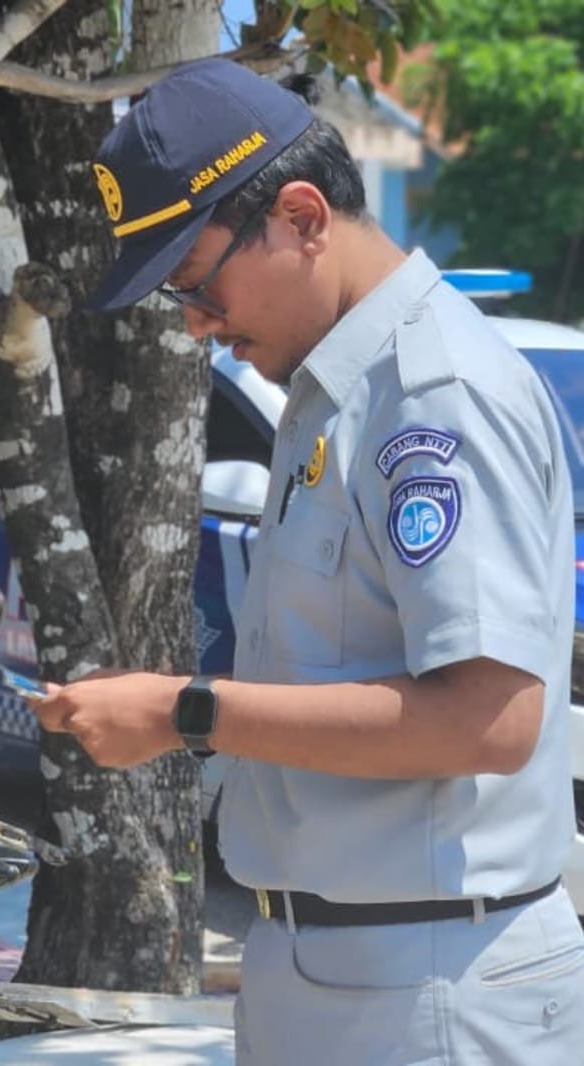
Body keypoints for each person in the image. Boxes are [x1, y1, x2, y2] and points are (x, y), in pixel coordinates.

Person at [30, 60, 584, 1064]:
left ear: (301, 215)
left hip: (429, 986)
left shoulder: (433, 392)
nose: (197, 325)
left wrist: (182, 710)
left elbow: (490, 718)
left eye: (197, 283)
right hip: (331, 967)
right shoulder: (338, 389)